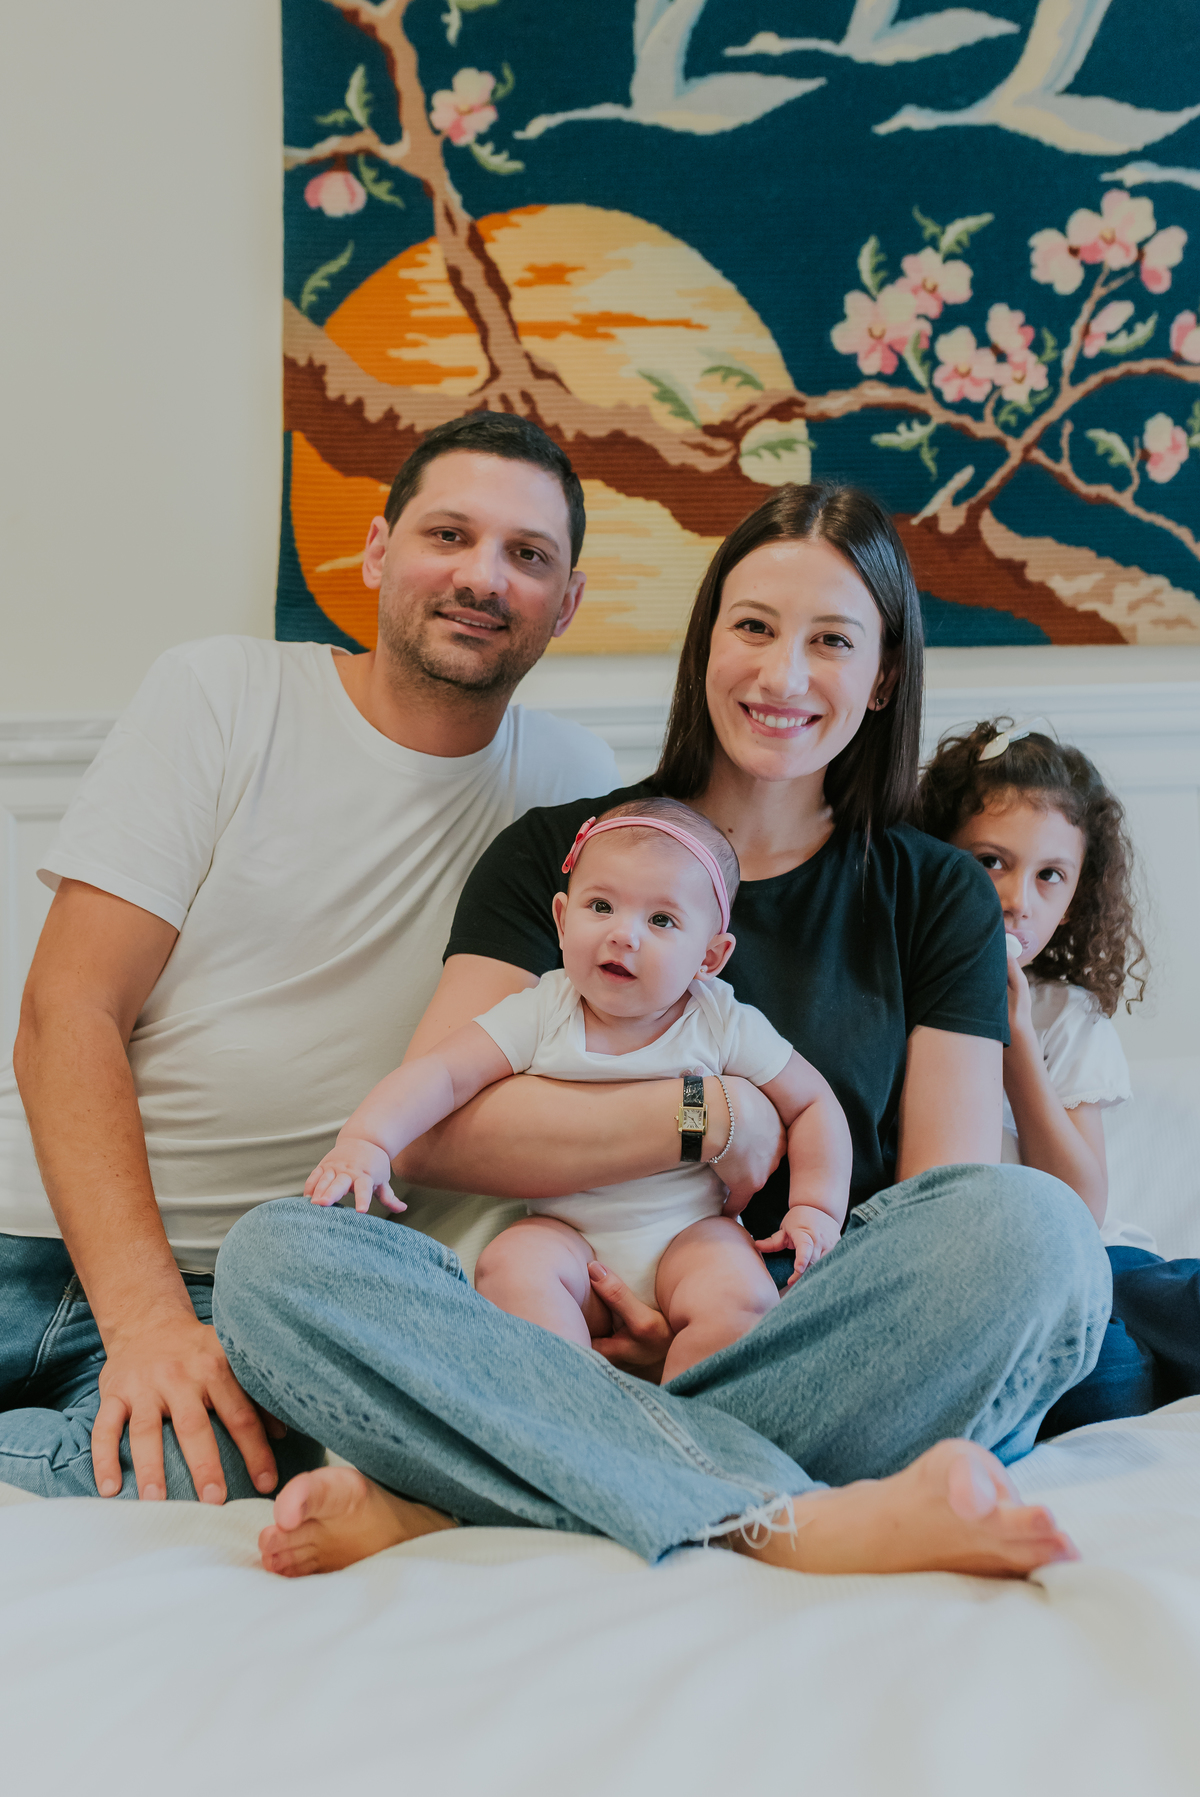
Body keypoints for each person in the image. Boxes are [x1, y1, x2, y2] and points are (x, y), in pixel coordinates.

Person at [212, 480, 1111, 1582]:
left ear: (881, 679)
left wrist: (743, 1310)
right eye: (754, 628)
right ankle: (788, 1517)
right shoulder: (565, 857)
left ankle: (472, 1493)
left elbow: (945, 1196)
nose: (784, 676)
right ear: (705, 647)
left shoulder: (934, 895)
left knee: (1040, 1235)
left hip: (801, 1336)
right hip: (549, 1319)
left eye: (832, 641)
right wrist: (706, 1118)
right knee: (274, 1261)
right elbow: (435, 1130)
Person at [1, 412, 622, 1504]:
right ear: (379, 551)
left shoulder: (574, 792)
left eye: (528, 556)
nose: (483, 577)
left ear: (566, 604)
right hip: (29, 1231)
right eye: (449, 535)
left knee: (209, 1473)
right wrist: (139, 1315)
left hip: (247, 1292)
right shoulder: (223, 695)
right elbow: (67, 1013)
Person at [305, 796, 852, 1380]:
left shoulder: (720, 1020)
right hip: (570, 1240)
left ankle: (693, 1434)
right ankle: (569, 1416)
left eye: (661, 920)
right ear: (563, 919)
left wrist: (815, 1208)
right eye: (601, 905)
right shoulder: (544, 1011)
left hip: (689, 1233)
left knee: (739, 1299)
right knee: (511, 1265)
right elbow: (441, 1074)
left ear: (711, 956)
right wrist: (366, 1141)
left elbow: (815, 1104)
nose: (624, 935)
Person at [918, 718, 1200, 1434]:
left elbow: (1083, 1199)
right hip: (1006, 1280)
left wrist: (1017, 1041)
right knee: (1106, 1380)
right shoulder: (901, 1005)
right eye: (990, 862)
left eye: (1050, 875)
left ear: (1075, 896)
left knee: (1165, 1294)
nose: (1019, 898)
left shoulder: (1065, 1015)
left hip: (1104, 1258)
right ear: (934, 861)